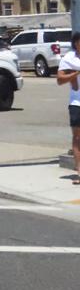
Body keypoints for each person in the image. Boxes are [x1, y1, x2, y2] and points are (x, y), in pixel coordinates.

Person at [55, 31, 80, 185]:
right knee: (77, 138)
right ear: (75, 43)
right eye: (78, 42)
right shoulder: (69, 59)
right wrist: (75, 74)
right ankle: (79, 171)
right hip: (77, 103)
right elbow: (59, 79)